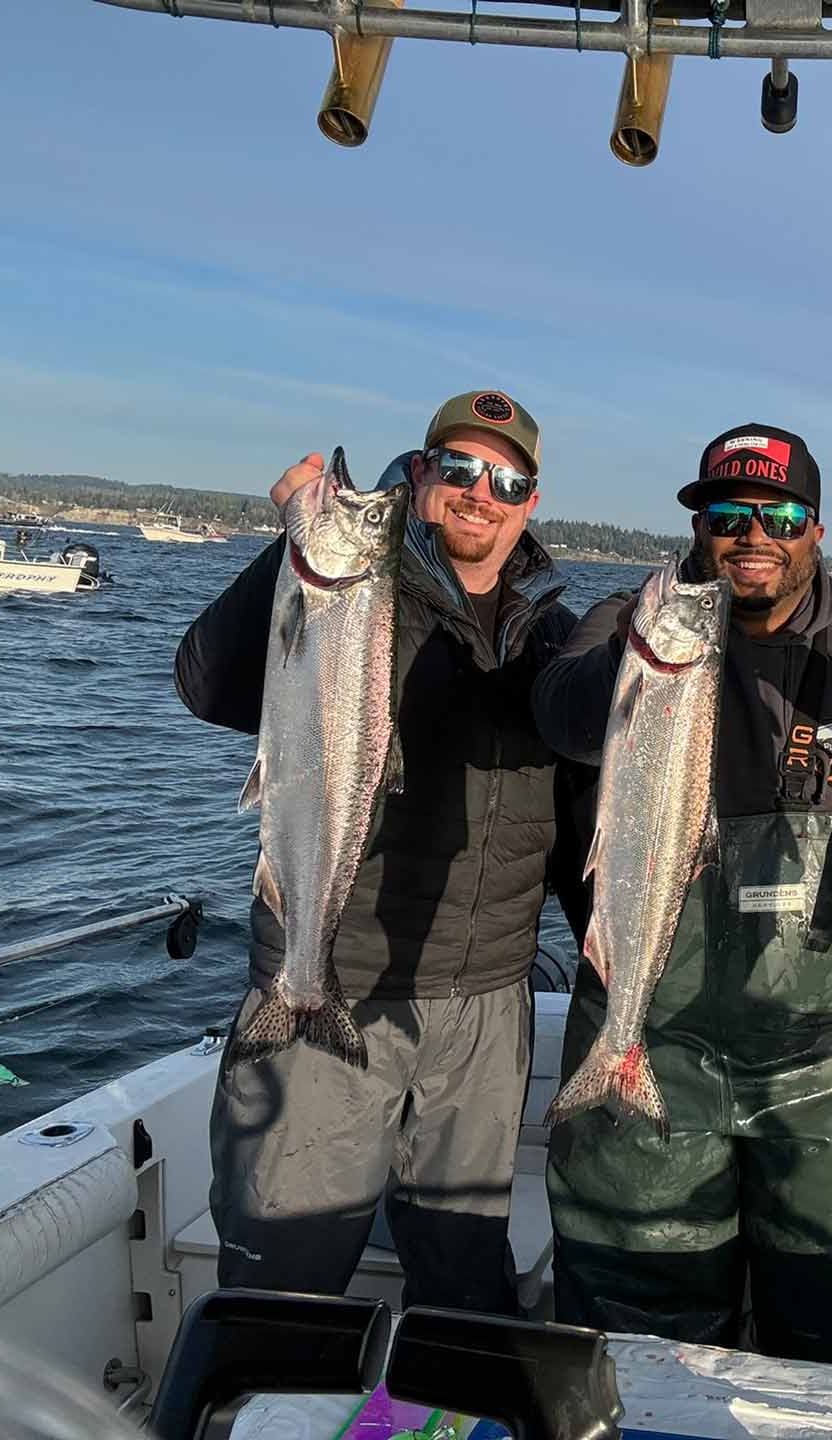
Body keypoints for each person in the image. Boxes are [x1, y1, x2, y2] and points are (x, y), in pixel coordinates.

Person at [532, 423, 832, 1372]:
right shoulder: (629, 628)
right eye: (728, 515)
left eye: (780, 514)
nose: (753, 534)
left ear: (816, 528)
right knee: (635, 1336)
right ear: (698, 529)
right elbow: (560, 717)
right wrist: (647, 652)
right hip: (651, 1029)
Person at [174, 390, 579, 1313]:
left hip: (485, 1012)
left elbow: (586, 825)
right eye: (463, 468)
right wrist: (295, 547)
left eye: (508, 479)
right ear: (423, 473)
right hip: (331, 976)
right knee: (285, 1280)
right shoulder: (351, 587)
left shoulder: (555, 636)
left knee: (464, 1283)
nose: (484, 492)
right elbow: (204, 682)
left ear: (531, 503)